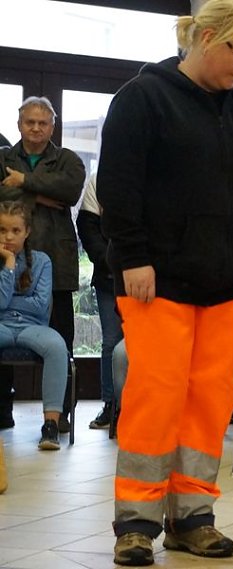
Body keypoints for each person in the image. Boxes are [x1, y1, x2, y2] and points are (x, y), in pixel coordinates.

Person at [97, 1, 233, 565]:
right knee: (156, 398)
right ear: (204, 38)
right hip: (158, 283)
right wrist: (134, 258)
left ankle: (192, 518)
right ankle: (136, 523)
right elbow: (119, 188)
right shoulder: (141, 100)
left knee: (208, 405)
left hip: (231, 288)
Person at [1, 96, 85, 433]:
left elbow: (71, 190)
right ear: (19, 124)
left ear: (53, 126)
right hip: (6, 254)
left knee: (61, 337)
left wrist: (23, 183)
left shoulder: (67, 159)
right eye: (29, 122)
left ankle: (59, 413)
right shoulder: (4, 157)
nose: (36, 129)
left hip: (56, 259)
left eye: (43, 123)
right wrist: (43, 197)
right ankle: (2, 408)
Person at [0, 201, 69, 451]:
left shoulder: (42, 262)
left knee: (57, 347)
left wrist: (11, 303)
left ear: (27, 231)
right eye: (2, 230)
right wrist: (8, 265)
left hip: (33, 327)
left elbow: (41, 306)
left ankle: (50, 425)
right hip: (2, 326)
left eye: (15, 230)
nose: (8, 236)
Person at [76, 173, 122, 429]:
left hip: (153, 278)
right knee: (111, 342)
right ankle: (110, 405)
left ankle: (136, 406)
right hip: (109, 277)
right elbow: (87, 227)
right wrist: (108, 262)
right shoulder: (100, 179)